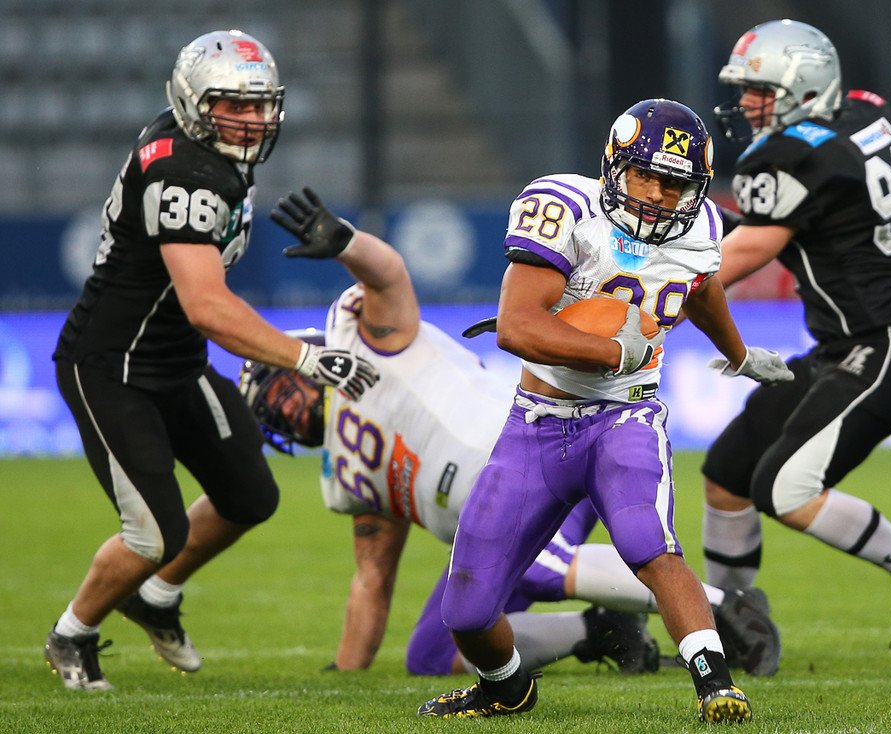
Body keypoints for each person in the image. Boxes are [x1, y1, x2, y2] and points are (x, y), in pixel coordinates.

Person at [235, 189, 782, 679]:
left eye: (278, 393)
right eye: (271, 412)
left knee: (544, 566)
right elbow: (371, 579)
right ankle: (597, 631)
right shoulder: (345, 477)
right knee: (435, 652)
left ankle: (724, 606)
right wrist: (346, 671)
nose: (283, 412)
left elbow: (388, 274)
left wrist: (348, 244)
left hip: (537, 451)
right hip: (483, 518)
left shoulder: (366, 341)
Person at [416, 98, 794, 725]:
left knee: (650, 543)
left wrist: (739, 353)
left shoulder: (701, 227)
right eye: (646, 175)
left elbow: (700, 286)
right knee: (467, 613)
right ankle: (506, 689)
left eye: (675, 183)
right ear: (614, 166)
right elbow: (516, 326)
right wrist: (614, 351)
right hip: (537, 425)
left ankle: (717, 684)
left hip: (625, 417)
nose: (659, 195)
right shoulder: (565, 209)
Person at [45, 30, 379, 691]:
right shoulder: (184, 171)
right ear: (194, 103)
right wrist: (304, 359)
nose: (252, 120)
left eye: (260, 105)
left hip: (175, 359)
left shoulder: (207, 155)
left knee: (248, 495)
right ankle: (72, 633)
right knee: (153, 535)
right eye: (234, 105)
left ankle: (155, 598)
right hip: (111, 366)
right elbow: (206, 305)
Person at [703, 19, 891, 671]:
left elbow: (746, 252)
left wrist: (648, 293)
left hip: (885, 348)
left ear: (805, 87)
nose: (748, 105)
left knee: (785, 488)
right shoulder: (862, 117)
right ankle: (729, 620)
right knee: (727, 474)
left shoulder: (795, 155)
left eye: (761, 91)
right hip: (842, 347)